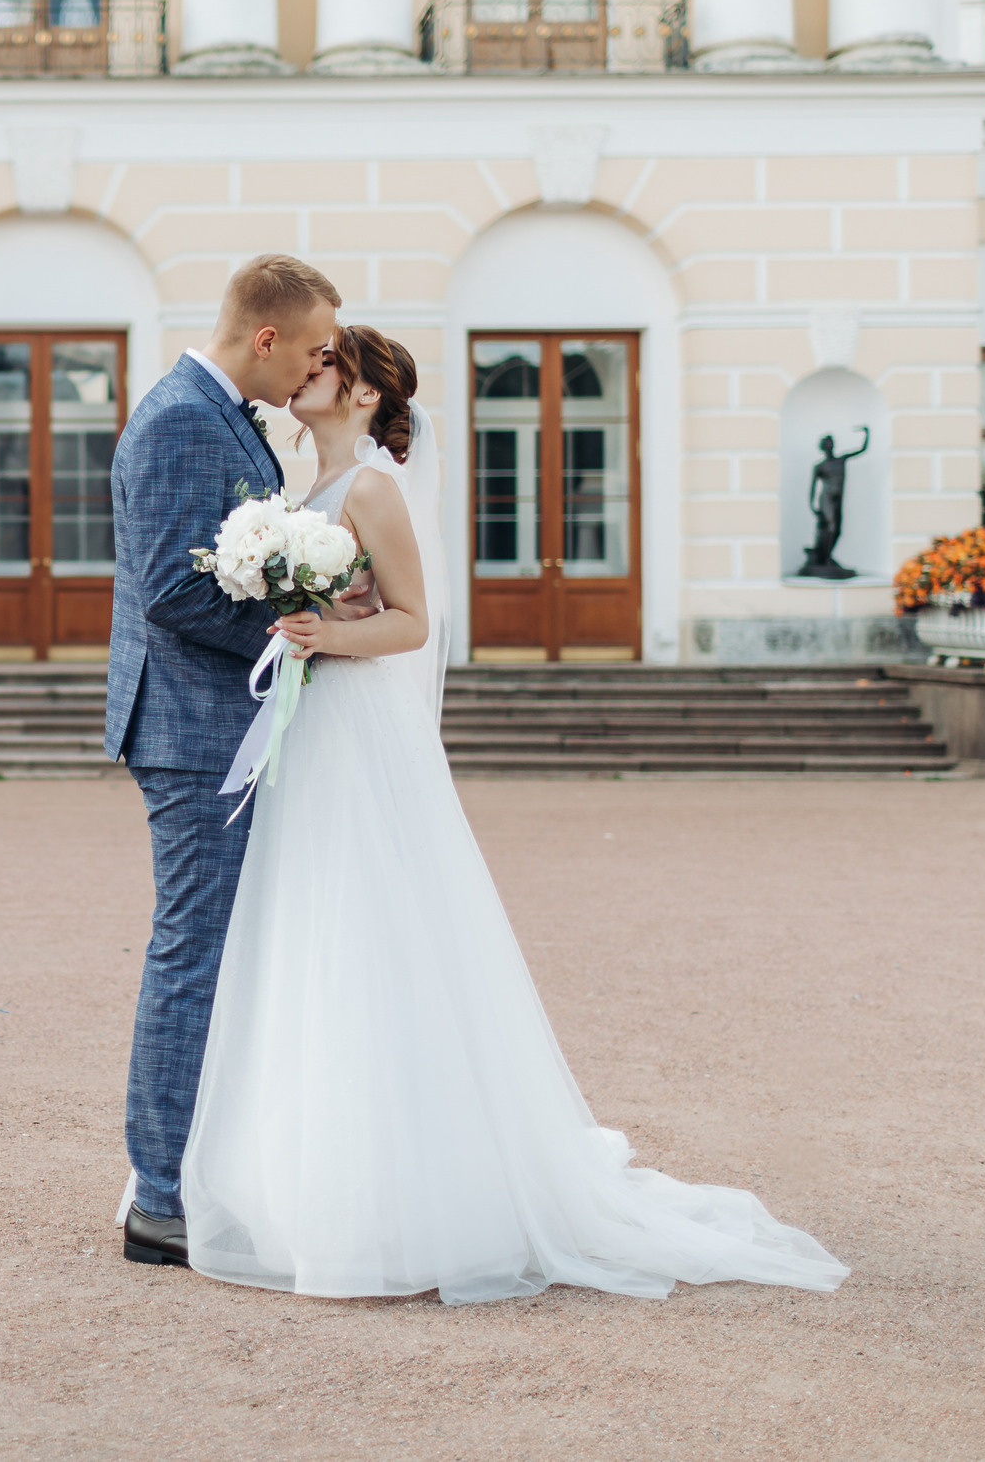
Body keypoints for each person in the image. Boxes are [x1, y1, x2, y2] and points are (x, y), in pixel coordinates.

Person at [172, 324, 850, 1303]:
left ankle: (399, 1195)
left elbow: (413, 623)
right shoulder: (293, 495)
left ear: (364, 399)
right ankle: (308, 1179)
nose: (308, 372)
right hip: (311, 729)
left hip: (360, 732)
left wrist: (328, 630)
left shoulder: (368, 488)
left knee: (373, 933)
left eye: (328, 366)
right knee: (307, 931)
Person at [105, 254, 338, 1268]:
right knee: (192, 952)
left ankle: (198, 1171)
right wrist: (294, 638)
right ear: (264, 338)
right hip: (192, 730)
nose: (316, 370)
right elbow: (173, 591)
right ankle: (160, 1197)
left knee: (218, 953)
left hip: (216, 725)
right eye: (314, 349)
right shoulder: (179, 420)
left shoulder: (223, 413)